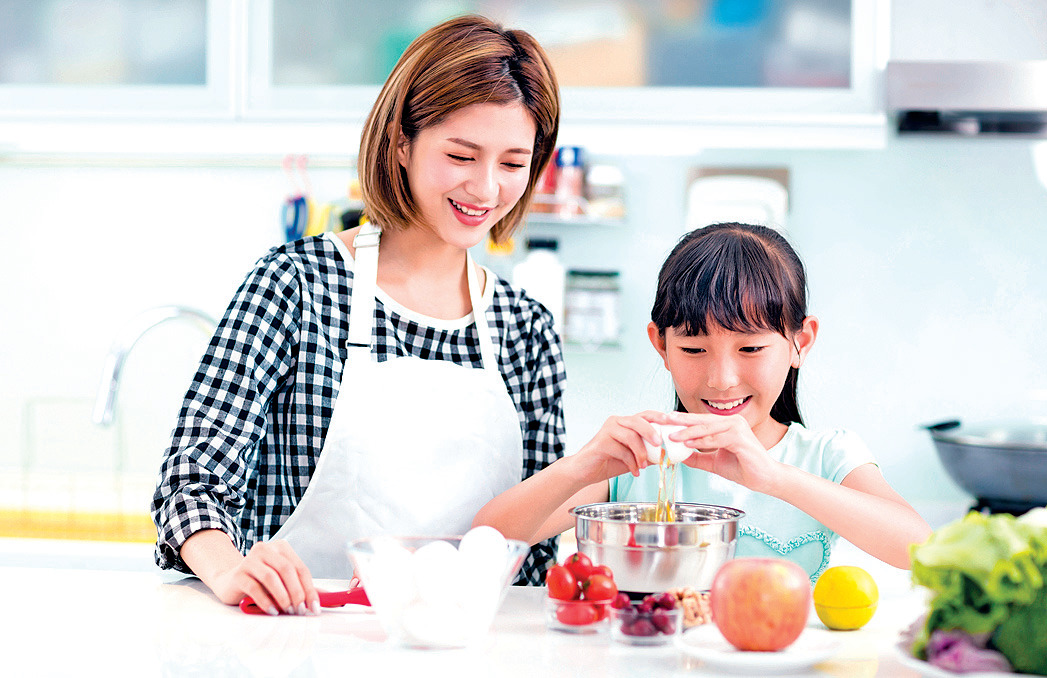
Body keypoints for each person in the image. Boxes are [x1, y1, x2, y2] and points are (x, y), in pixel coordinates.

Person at [151, 15, 565, 616]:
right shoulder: (296, 287)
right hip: (296, 639)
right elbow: (191, 479)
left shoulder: (527, 332)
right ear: (401, 141)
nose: (485, 188)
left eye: (511, 162)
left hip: (467, 649)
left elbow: (532, 554)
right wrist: (233, 570)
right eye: (461, 154)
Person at [473, 222, 932, 580]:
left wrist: (773, 478)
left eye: (750, 348)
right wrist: (583, 466)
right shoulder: (642, 462)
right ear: (661, 346)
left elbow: (919, 549)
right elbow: (486, 539)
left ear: (800, 342)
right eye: (694, 349)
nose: (722, 378)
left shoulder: (828, 456)